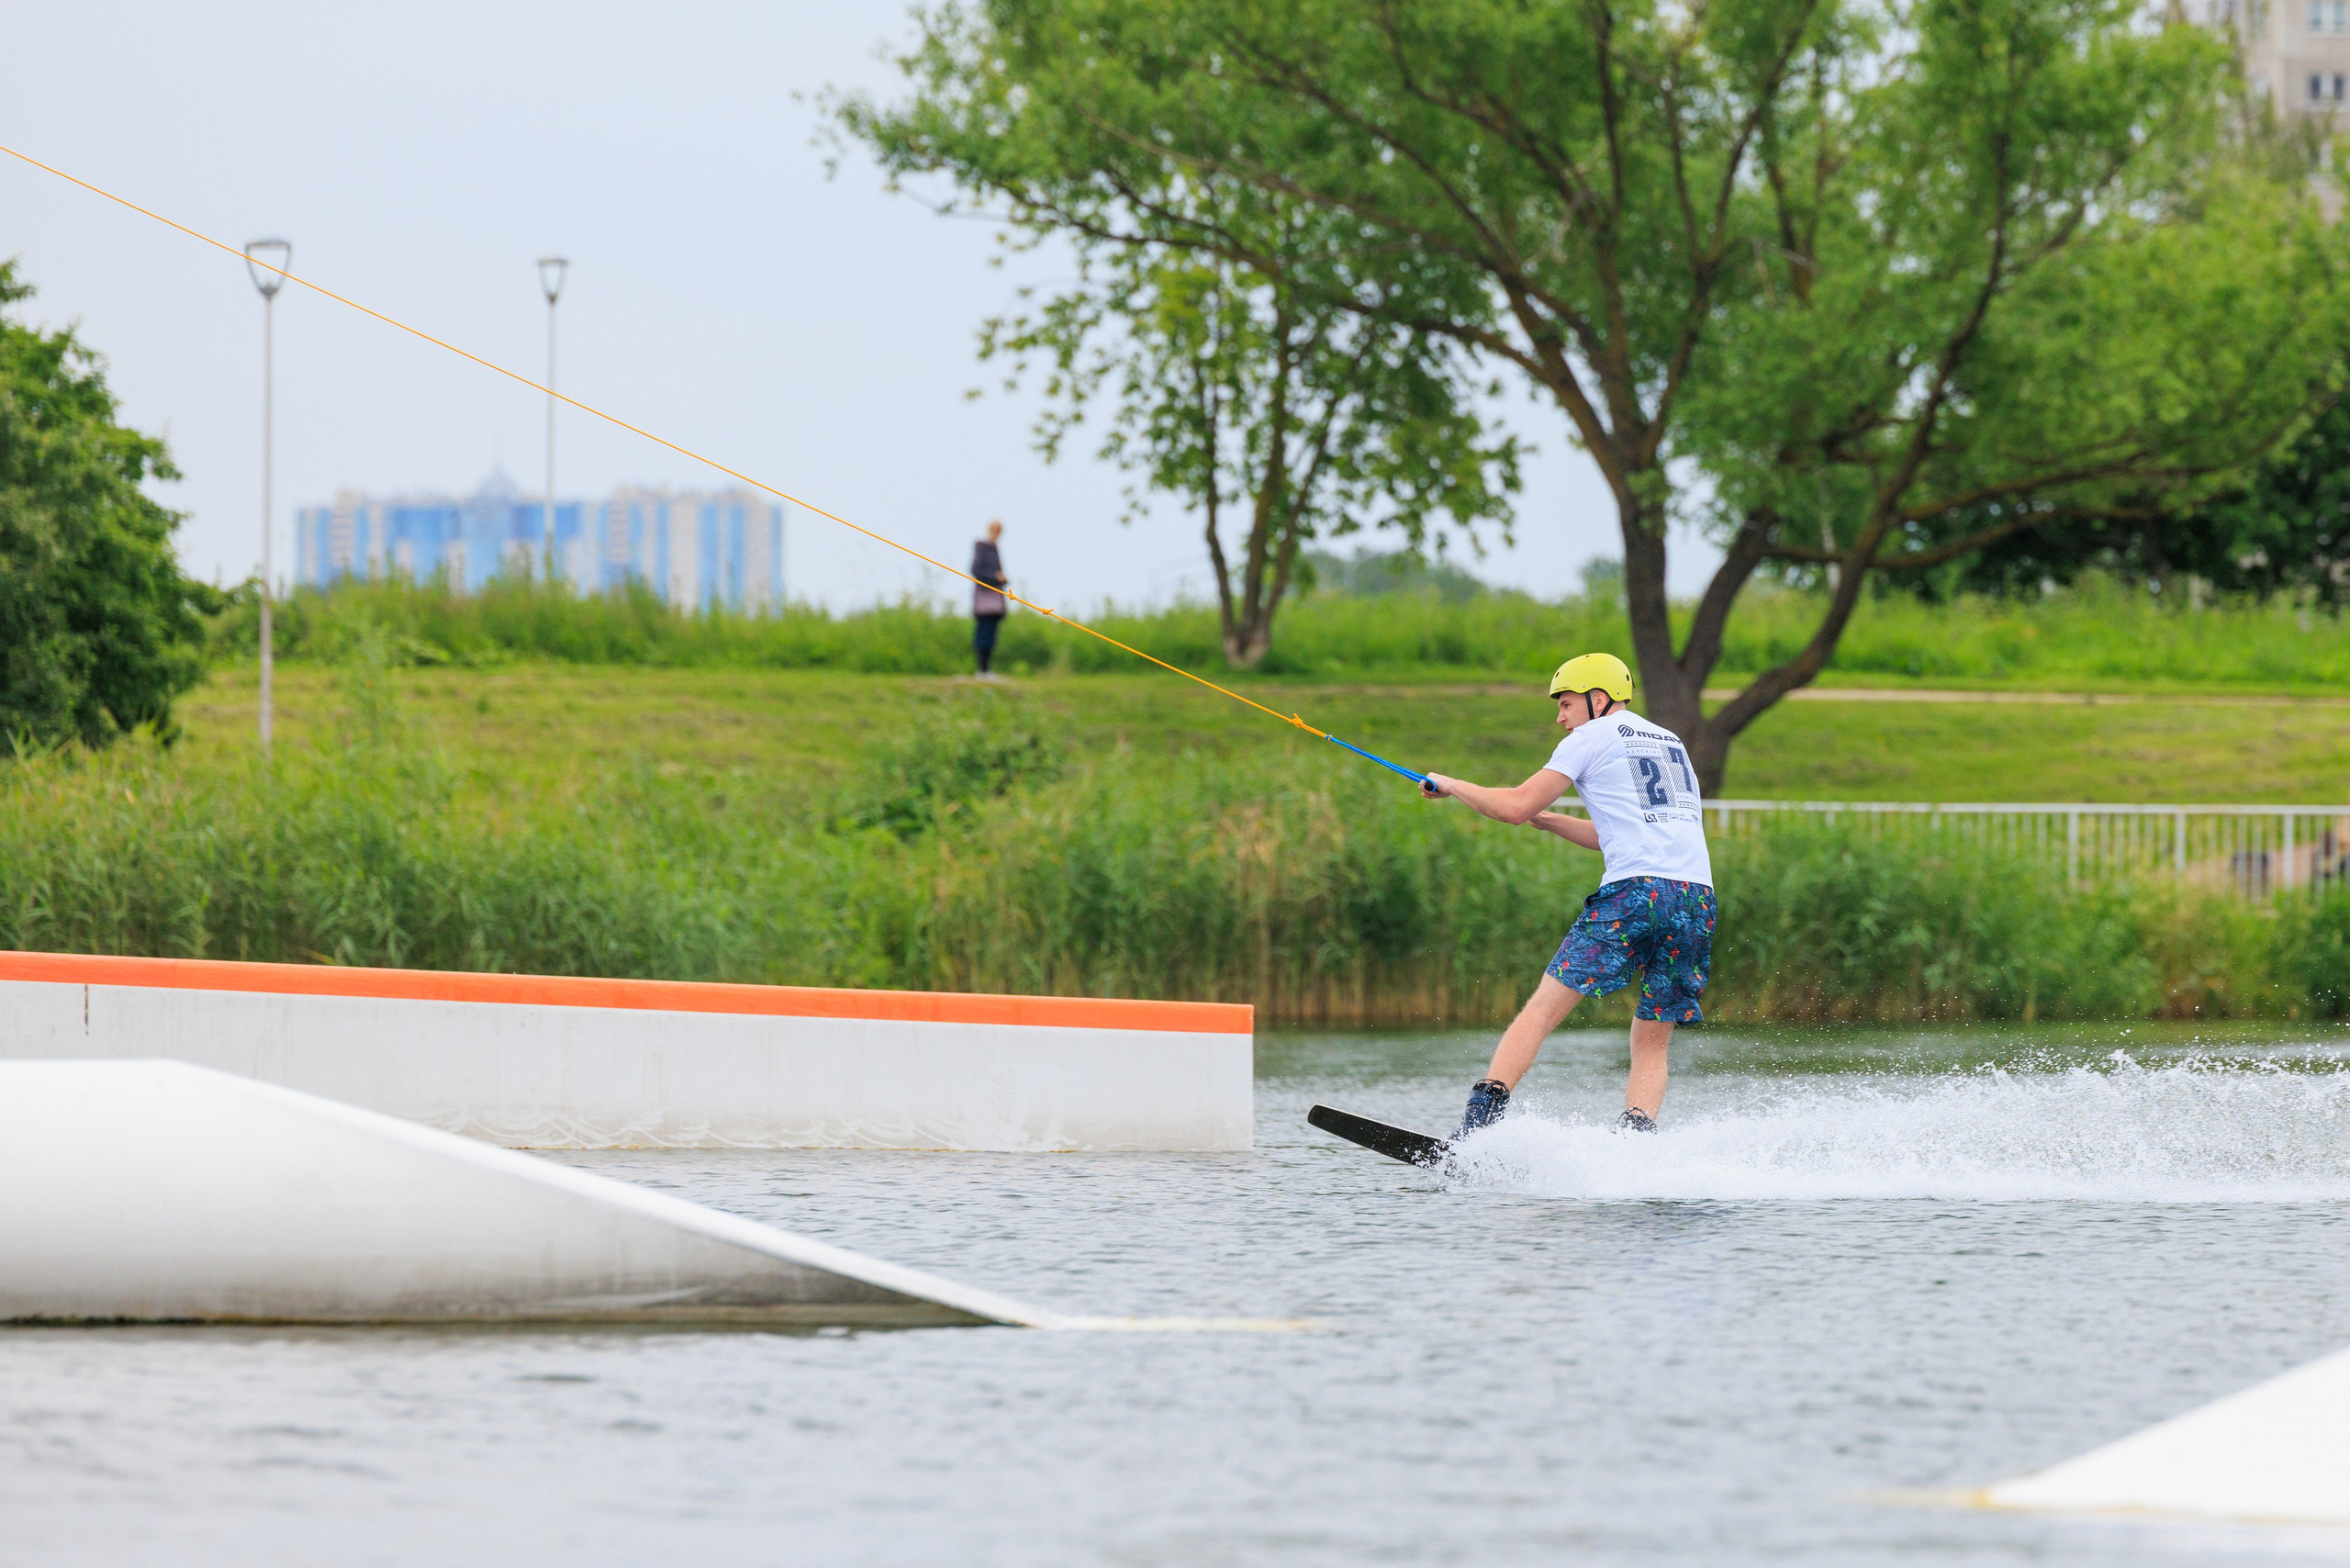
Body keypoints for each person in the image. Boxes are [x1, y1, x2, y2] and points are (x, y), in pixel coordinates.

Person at [1419, 652, 1716, 1136]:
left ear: (1598, 700)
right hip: (1695, 901)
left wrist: (1450, 784)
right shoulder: (1669, 741)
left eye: (1566, 704)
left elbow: (1513, 806)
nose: (1561, 718)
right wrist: (1550, 819)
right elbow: (1617, 834)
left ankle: (1474, 1133)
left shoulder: (1592, 737)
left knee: (1541, 1009)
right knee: (1652, 1043)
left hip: (1635, 895)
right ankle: (1634, 1142)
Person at [970, 521, 1010, 678]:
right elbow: (976, 571)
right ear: (988, 530)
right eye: (994, 531)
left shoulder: (995, 549)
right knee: (983, 634)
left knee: (991, 635)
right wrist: (995, 577)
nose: (996, 534)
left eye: (999, 531)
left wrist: (1002, 579)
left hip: (995, 600)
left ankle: (986, 670)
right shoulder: (981, 547)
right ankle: (982, 670)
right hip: (984, 600)